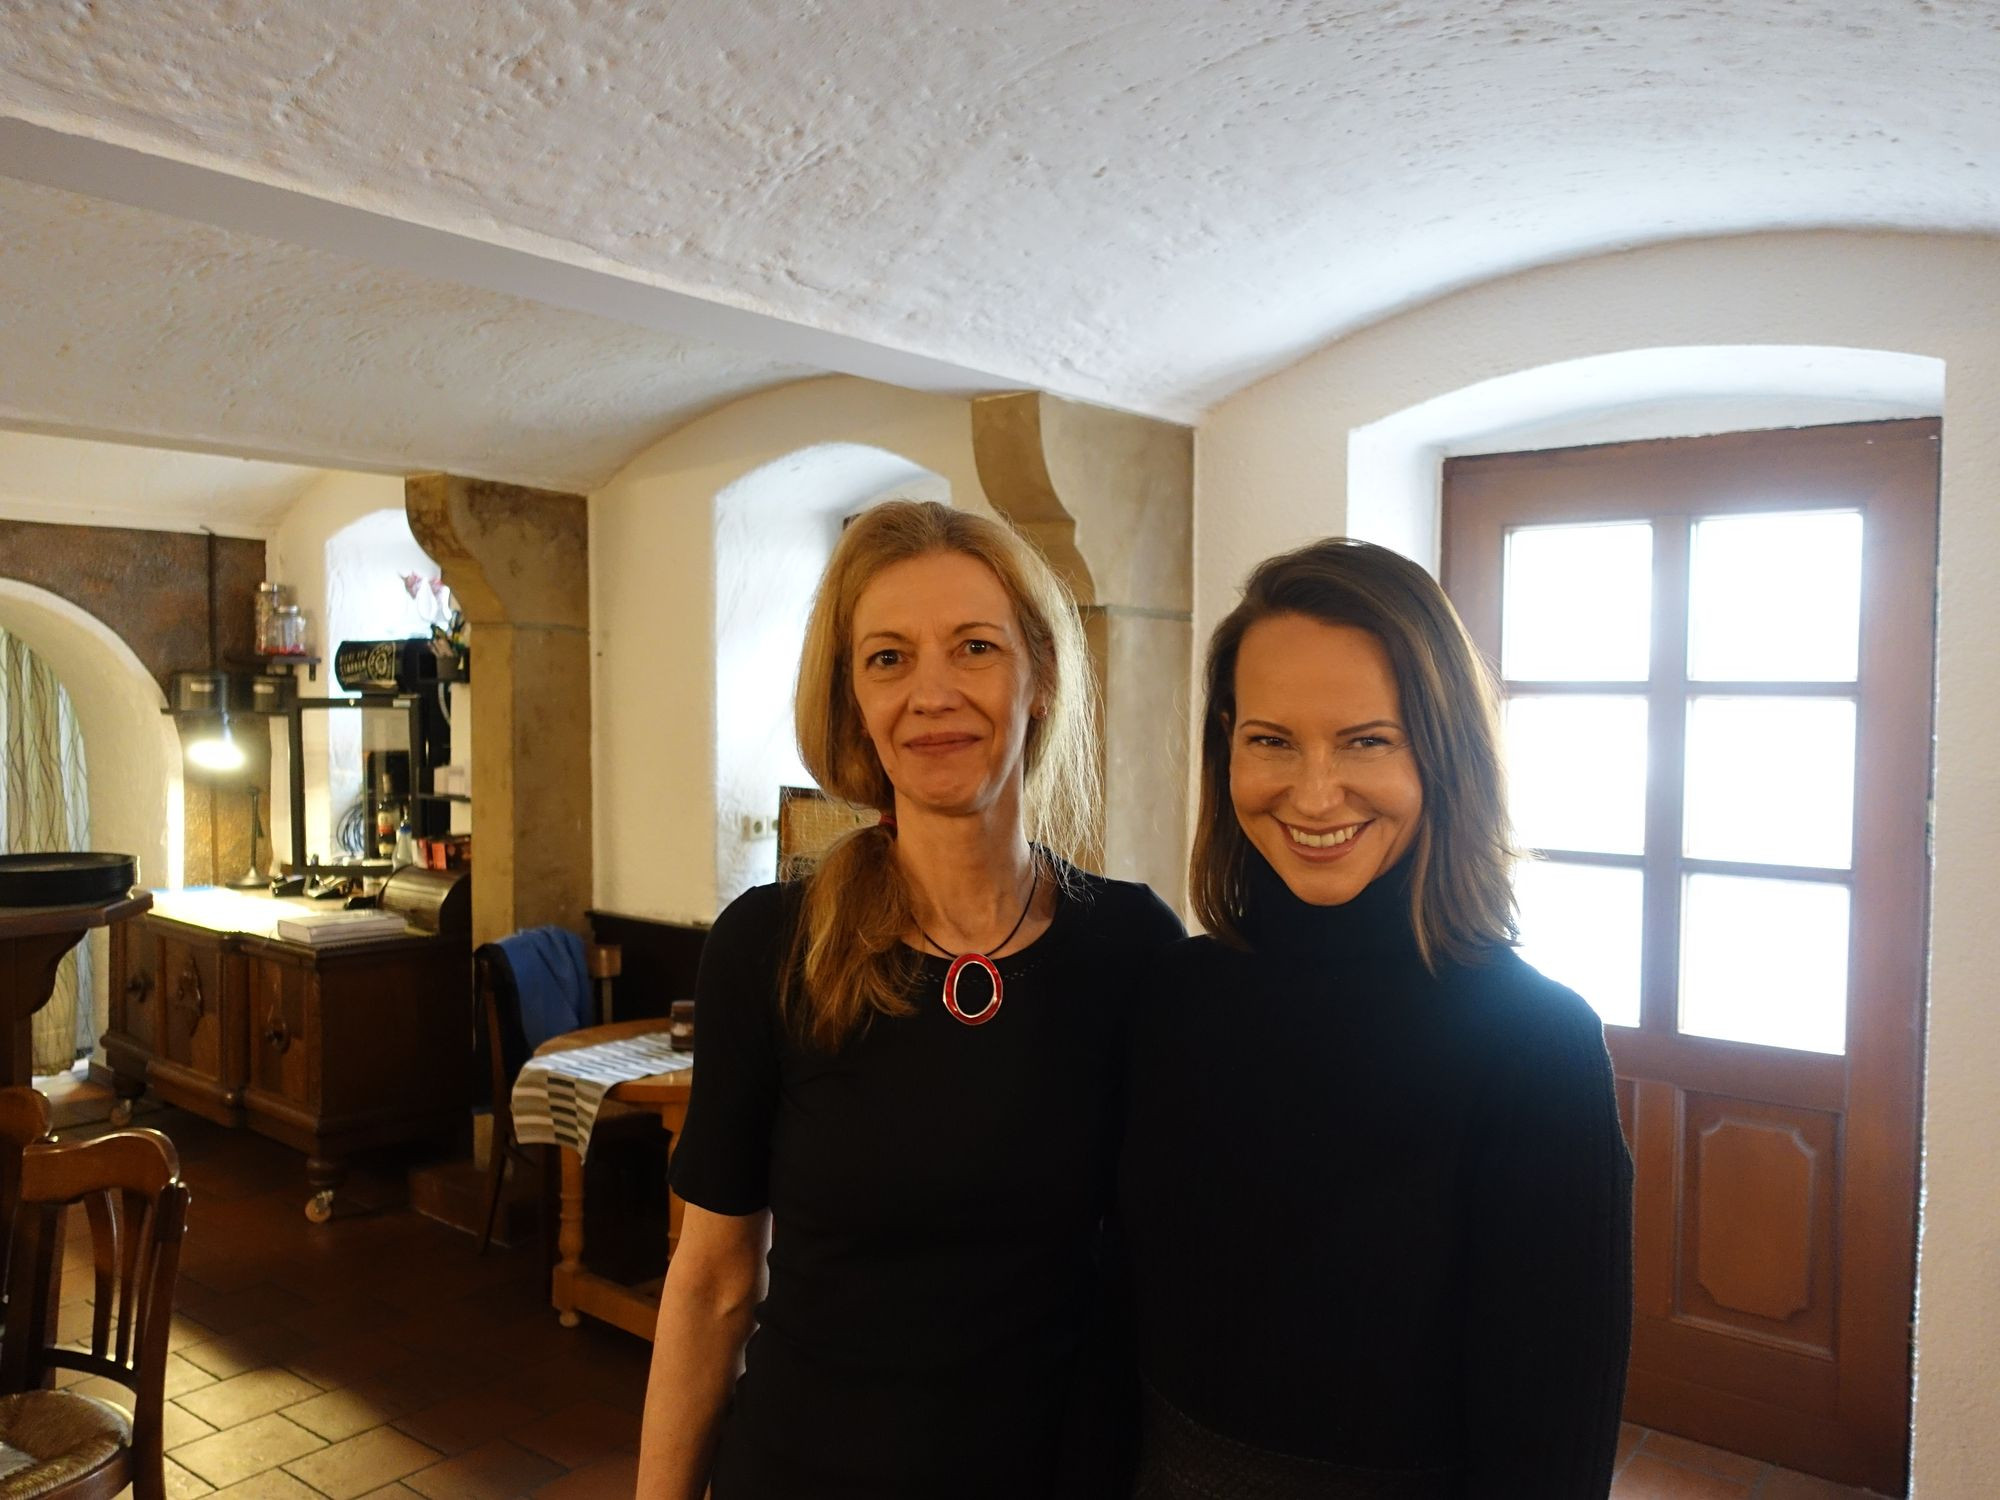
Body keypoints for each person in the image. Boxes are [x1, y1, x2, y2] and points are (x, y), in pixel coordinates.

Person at [636, 499, 1183, 1499]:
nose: (932, 694)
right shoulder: (769, 947)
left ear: (1039, 677)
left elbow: (1167, 1263)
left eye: (974, 647)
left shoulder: (1132, 948)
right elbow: (712, 1282)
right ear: (853, 702)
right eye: (888, 658)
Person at [1118, 538, 1633, 1498]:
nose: (1315, 794)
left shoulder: (1535, 1049)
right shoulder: (1174, 995)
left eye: (1367, 741)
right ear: (1226, 744)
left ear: (1443, 751)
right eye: (1272, 740)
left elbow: (1550, 1450)